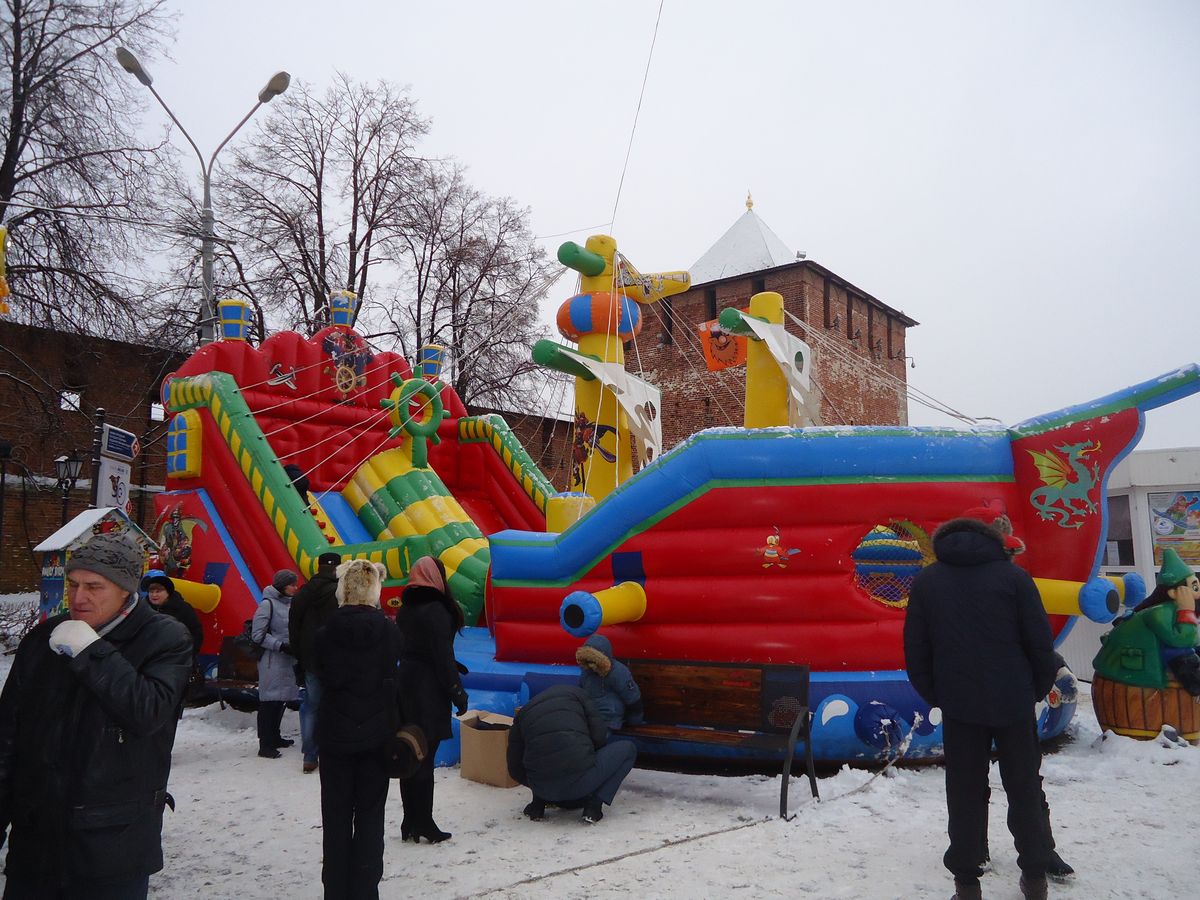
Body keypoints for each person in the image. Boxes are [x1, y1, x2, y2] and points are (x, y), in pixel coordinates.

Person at [0, 532, 193, 898]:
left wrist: (91, 651)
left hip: (110, 848)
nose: (78, 597)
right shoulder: (44, 640)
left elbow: (146, 712)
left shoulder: (165, 638)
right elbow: (8, 736)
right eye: (72, 584)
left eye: (94, 586)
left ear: (125, 589)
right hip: (35, 842)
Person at [903, 515, 1061, 900]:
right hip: (1013, 700)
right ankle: (1036, 875)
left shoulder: (927, 581)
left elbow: (916, 650)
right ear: (996, 542)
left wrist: (938, 695)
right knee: (1025, 785)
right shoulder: (1015, 579)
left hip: (960, 704)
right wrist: (1034, 690)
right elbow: (1040, 643)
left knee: (965, 789)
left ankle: (967, 882)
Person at [315, 558, 402, 900]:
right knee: (370, 819)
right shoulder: (390, 632)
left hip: (336, 737)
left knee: (335, 820)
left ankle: (335, 891)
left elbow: (321, 673)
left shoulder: (325, 634)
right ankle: (365, 891)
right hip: (376, 737)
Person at [394, 556, 469, 843]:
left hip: (407, 686)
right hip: (428, 691)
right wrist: (457, 691)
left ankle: (409, 820)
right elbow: (441, 657)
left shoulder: (406, 609)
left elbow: (415, 649)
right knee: (425, 757)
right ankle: (424, 823)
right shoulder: (437, 609)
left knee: (409, 753)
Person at [507, 684, 638, 825]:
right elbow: (599, 738)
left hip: (542, 788)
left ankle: (538, 804)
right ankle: (594, 806)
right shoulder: (581, 697)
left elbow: (514, 767)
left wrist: (539, 787)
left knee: (543, 754)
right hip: (580, 783)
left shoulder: (525, 712)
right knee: (629, 749)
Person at [1094, 548, 1199, 695]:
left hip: (1158, 650)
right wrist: (1186, 610)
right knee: (1184, 658)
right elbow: (1182, 640)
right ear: (1174, 592)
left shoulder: (1172, 609)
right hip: (1135, 663)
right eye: (1194, 587)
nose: (1198, 592)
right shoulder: (1159, 613)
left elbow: (1194, 637)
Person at [290, 551, 341, 773]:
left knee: (312, 705)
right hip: (335, 656)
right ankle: (335, 749)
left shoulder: (303, 593)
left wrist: (298, 654)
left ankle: (310, 755)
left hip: (310, 656)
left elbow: (294, 626)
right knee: (338, 704)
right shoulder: (339, 593)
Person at [253, 570, 300, 759]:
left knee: (281, 699)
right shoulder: (267, 604)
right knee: (269, 701)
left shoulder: (289, 604)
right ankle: (265, 743)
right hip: (272, 660)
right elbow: (258, 635)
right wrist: (280, 645)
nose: (295, 588)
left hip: (287, 660)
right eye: (292, 584)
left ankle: (275, 736)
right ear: (282, 585)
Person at [576, 633, 643, 736]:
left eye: (594, 660)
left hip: (609, 717)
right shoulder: (587, 672)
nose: (591, 664)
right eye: (587, 660)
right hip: (589, 715)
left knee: (595, 738)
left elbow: (632, 695)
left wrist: (634, 719)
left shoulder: (617, 672)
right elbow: (580, 690)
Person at [142, 570, 203, 661]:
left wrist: (188, 656)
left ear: (168, 592)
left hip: (176, 660)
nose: (154, 595)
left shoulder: (183, 608)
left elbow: (196, 633)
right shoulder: (143, 608)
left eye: (158, 591)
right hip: (148, 660)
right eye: (151, 591)